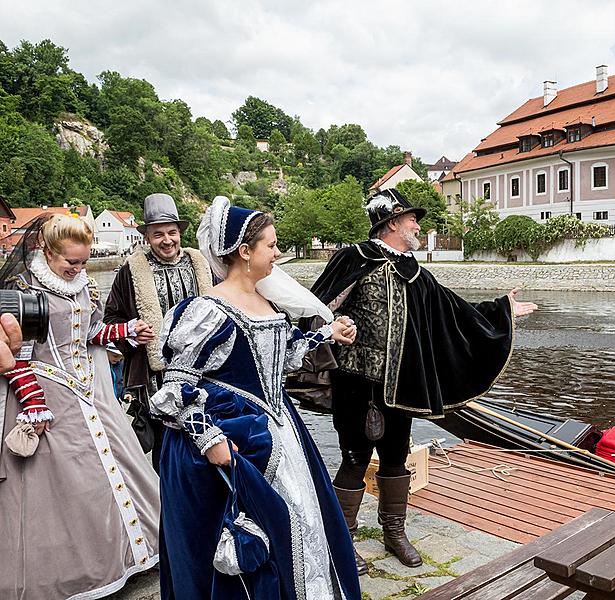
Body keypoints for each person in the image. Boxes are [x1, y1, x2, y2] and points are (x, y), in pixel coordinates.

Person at [310, 188, 537, 572]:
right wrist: (331, 325)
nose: (417, 225)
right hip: (356, 382)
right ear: (392, 223)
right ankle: (343, 537)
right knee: (354, 458)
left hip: (403, 384)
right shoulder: (354, 258)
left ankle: (394, 531)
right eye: (412, 219)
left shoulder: (415, 271)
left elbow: (455, 311)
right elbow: (316, 305)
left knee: (397, 458)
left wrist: (503, 310)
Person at [151, 196, 362, 599]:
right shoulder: (209, 310)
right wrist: (209, 441)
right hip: (230, 441)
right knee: (253, 539)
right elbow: (176, 388)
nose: (278, 252)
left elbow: (281, 359)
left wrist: (327, 334)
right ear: (245, 252)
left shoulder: (265, 302)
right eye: (271, 244)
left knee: (303, 524)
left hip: (280, 430)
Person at [0, 214, 161, 598]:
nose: (77, 268)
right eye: (70, 262)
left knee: (113, 470)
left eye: (83, 261)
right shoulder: (21, 290)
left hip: (87, 390)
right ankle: (78, 571)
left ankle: (128, 556)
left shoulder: (86, 286)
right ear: (47, 250)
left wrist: (127, 331)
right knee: (71, 486)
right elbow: (13, 354)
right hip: (44, 391)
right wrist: (33, 401)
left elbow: (90, 333)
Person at [105, 193, 214, 471]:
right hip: (157, 376)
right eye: (158, 234)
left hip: (202, 370)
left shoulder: (199, 265)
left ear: (180, 233)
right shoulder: (131, 271)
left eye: (172, 233)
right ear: (147, 237)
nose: (167, 240)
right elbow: (111, 318)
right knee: (166, 447)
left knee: (206, 441)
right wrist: (132, 333)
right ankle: (167, 506)